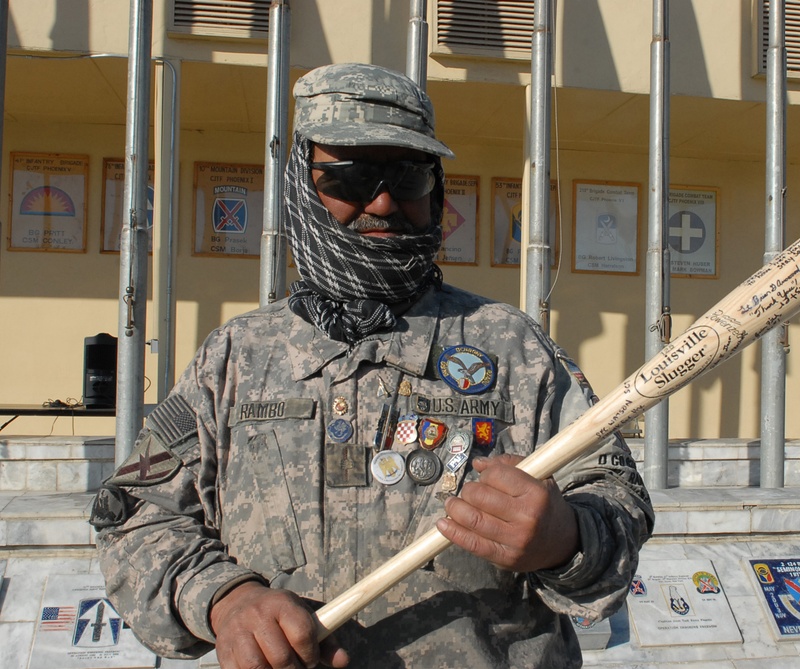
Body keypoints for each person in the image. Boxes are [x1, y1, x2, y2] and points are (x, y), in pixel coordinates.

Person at [91, 62, 654, 669]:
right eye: (352, 177)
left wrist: (564, 538)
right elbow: (137, 518)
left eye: (407, 176)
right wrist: (225, 600)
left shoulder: (515, 348)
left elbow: (617, 498)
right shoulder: (233, 359)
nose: (383, 201)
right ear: (302, 188)